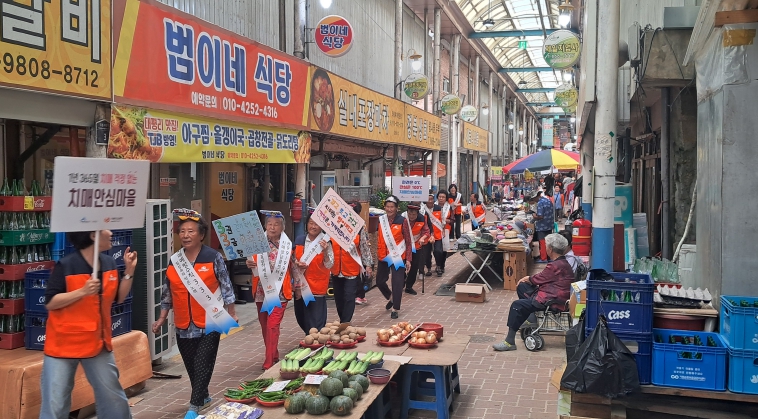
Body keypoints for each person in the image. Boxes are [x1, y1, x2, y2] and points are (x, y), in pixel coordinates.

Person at [41, 230, 138, 419]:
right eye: (105, 229)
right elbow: (50, 302)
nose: (110, 233)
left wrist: (129, 271)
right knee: (56, 403)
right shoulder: (66, 265)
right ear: (93, 235)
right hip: (62, 345)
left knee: (113, 398)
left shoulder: (109, 263)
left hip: (98, 343)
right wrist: (82, 292)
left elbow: (118, 297)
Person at [154, 210, 237, 419]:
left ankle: (194, 406)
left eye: (191, 231)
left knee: (202, 363)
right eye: (182, 231)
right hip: (183, 323)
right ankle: (204, 396)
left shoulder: (213, 257)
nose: (185, 235)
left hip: (210, 321)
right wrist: (162, 318)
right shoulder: (175, 261)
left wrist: (232, 312)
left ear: (201, 234)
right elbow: (167, 292)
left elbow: (226, 286)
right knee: (192, 366)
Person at [493, 234, 574, 351]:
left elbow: (539, 278)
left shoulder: (555, 265)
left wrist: (527, 278)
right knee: (522, 287)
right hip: (551, 295)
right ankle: (531, 318)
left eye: (546, 246)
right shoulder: (562, 263)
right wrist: (528, 279)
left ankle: (509, 342)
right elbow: (542, 278)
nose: (546, 248)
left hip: (551, 300)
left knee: (517, 305)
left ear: (551, 249)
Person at [246, 211, 294, 370]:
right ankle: (273, 354)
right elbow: (252, 263)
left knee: (272, 325)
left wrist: (298, 287)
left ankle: (268, 363)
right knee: (265, 325)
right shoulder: (257, 243)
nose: (272, 227)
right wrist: (249, 263)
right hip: (261, 291)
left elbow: (294, 267)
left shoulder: (287, 246)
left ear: (283, 227)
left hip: (279, 293)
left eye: (276, 224)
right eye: (269, 224)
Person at [293, 210, 334, 335]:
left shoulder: (326, 242)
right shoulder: (299, 240)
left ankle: (315, 341)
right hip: (301, 285)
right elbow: (292, 259)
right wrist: (296, 263)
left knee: (316, 319)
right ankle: (309, 337)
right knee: (301, 316)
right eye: (311, 223)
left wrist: (325, 252)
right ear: (306, 224)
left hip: (317, 285)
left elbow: (330, 264)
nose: (313, 226)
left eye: (316, 224)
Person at [331, 202, 373, 316]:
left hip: (351, 270)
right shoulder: (334, 226)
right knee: (339, 298)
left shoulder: (359, 228)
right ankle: (342, 320)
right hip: (336, 269)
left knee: (349, 297)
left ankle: (346, 321)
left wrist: (368, 265)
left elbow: (364, 247)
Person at [376, 195, 412, 319]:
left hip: (398, 255)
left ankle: (395, 308)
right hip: (383, 255)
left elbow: (408, 241)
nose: (389, 209)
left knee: (397, 282)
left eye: (392, 207)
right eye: (387, 207)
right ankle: (391, 297)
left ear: (397, 208)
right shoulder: (381, 220)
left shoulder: (402, 221)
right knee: (379, 281)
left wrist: (408, 259)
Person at [403, 202, 431, 295]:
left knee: (414, 267)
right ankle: (401, 282)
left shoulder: (422, 218)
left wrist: (423, 238)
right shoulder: (402, 218)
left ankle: (409, 286)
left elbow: (426, 231)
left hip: (416, 246)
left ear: (417, 214)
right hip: (403, 246)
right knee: (401, 266)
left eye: (414, 214)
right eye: (410, 214)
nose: (411, 216)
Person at [430, 191, 453, 276]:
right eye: (439, 197)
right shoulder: (433, 206)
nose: (441, 198)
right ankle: (438, 265)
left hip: (445, 230)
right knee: (437, 250)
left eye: (443, 197)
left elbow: (453, 220)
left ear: (446, 198)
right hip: (435, 230)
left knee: (444, 249)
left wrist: (446, 220)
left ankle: (442, 265)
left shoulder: (449, 207)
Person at [532, 191, 554, 262]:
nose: (534, 201)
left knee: (542, 242)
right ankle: (549, 257)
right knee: (548, 241)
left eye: (534, 199)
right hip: (549, 224)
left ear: (537, 196)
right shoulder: (548, 201)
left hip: (542, 226)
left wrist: (534, 216)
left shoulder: (540, 203)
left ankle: (543, 258)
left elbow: (540, 216)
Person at [422, 193, 436, 276]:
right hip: (415, 237)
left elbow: (429, 224)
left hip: (426, 235)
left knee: (427, 253)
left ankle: (429, 268)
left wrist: (431, 234)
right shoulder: (409, 212)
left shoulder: (424, 212)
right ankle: (421, 270)